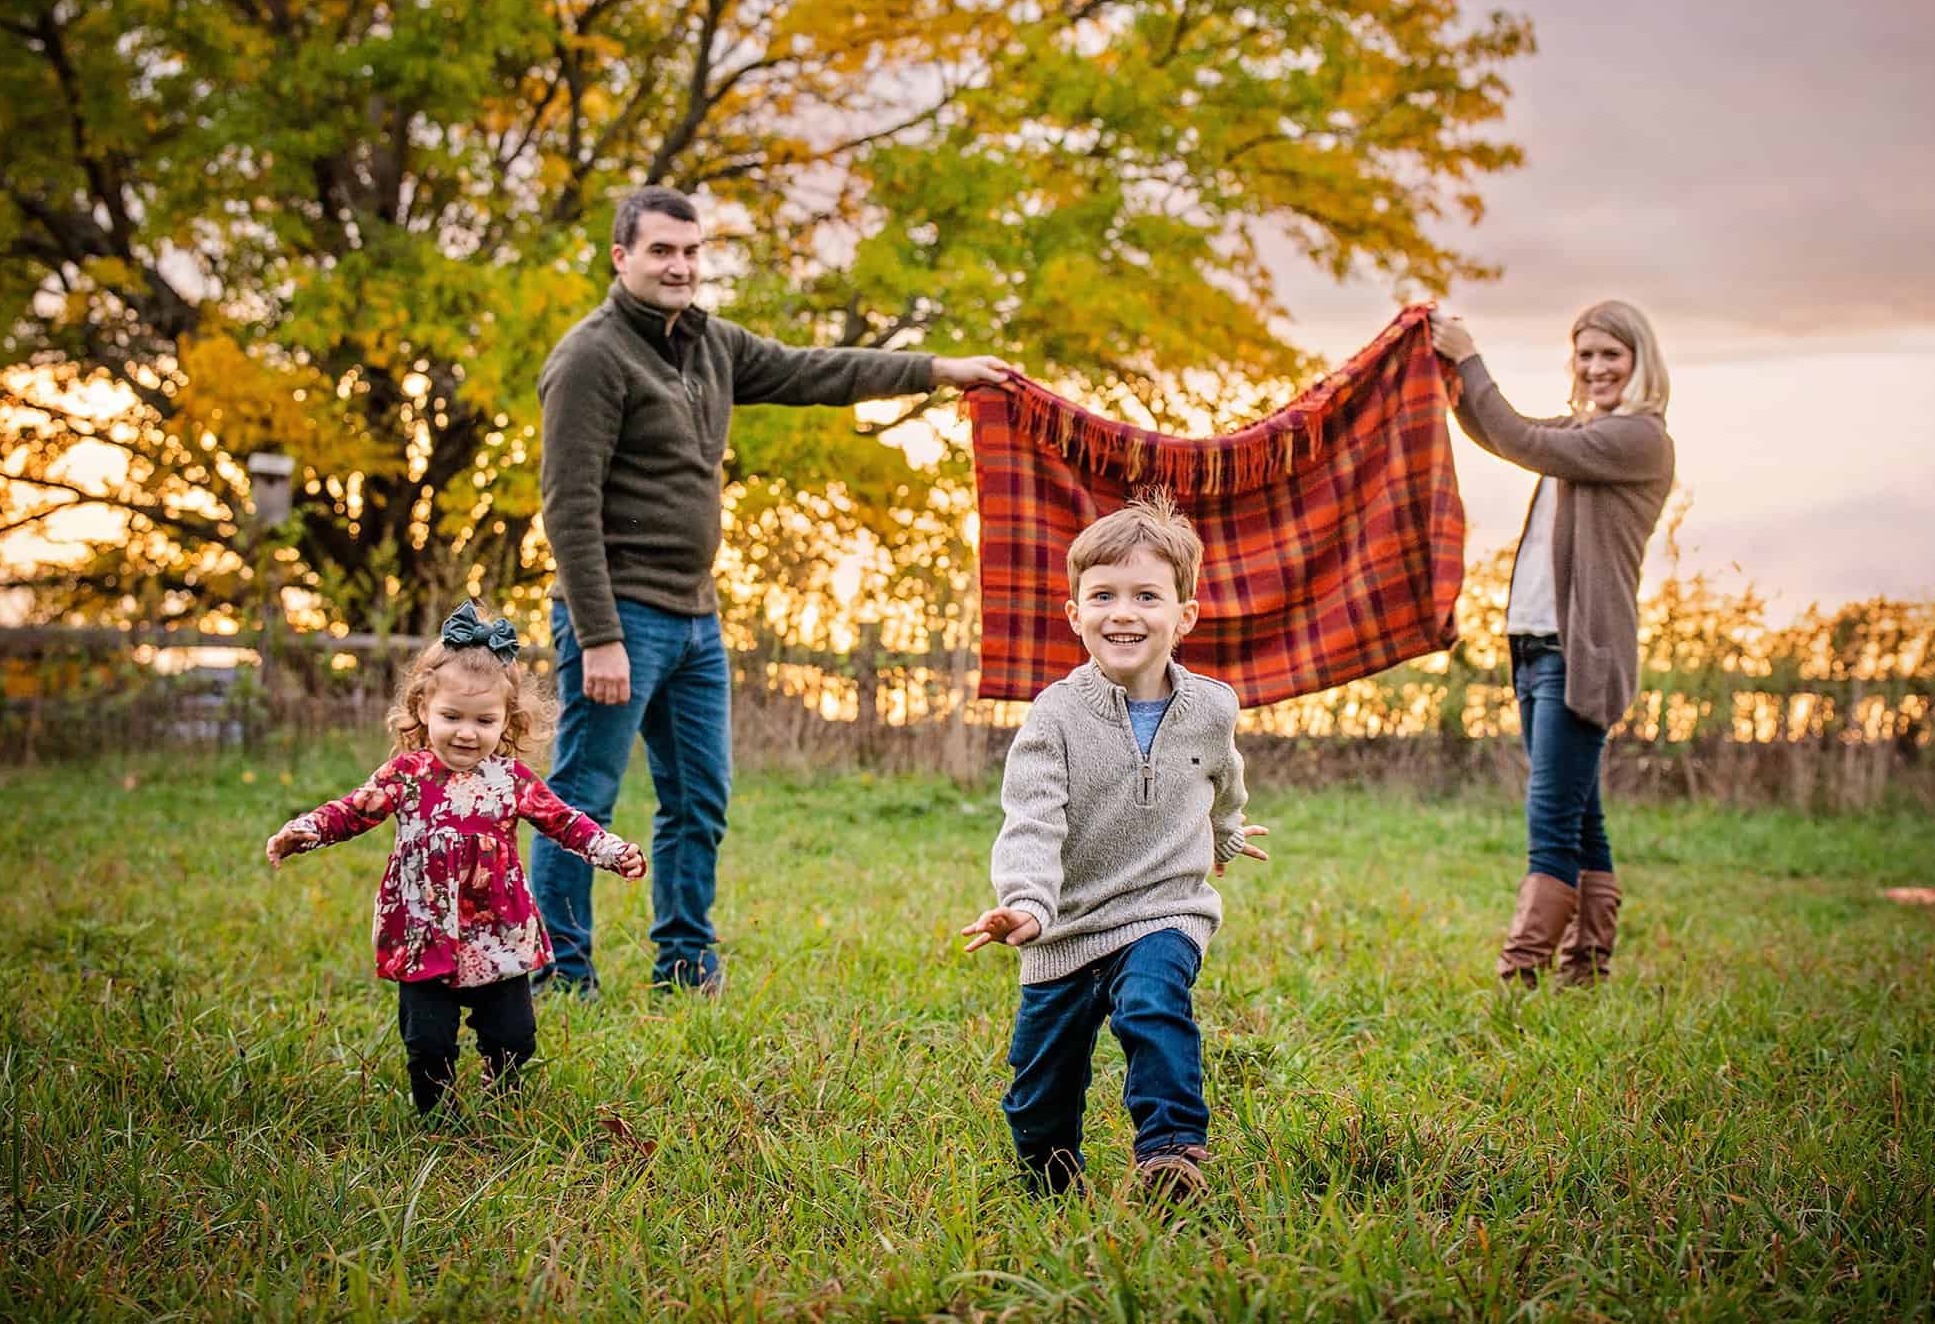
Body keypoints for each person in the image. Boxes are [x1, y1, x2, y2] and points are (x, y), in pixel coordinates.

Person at [533, 185, 1008, 999]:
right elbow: (567, 505)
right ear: (622, 258)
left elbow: (815, 370)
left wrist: (938, 370)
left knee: (699, 801)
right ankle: (556, 972)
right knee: (582, 800)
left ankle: (684, 964)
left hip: (694, 619)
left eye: (690, 251)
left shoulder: (712, 345)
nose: (679, 265)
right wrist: (599, 633)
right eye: (660, 251)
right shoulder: (592, 357)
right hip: (618, 620)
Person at [962, 490, 1270, 1202]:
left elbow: (1225, 776)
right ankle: (1050, 1181)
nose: (1123, 612)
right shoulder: (1054, 718)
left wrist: (1226, 831)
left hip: (1168, 908)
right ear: (1075, 614)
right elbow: (1032, 819)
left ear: (1183, 615)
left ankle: (1170, 1154)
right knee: (1040, 1093)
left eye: (1146, 596)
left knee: (1153, 1002)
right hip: (1064, 928)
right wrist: (1027, 905)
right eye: (1102, 595)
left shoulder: (1213, 706)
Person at [266, 601, 645, 1114]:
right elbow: (352, 812)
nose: (467, 732)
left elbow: (563, 821)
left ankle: (500, 1087)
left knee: (515, 1036)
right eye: (451, 717)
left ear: (506, 721)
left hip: (498, 930)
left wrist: (611, 850)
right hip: (424, 930)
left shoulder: (510, 781)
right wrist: (306, 830)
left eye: (484, 720)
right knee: (429, 1042)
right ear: (423, 709)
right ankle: (436, 1116)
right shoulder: (406, 776)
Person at [1430, 302, 1674, 987]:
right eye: (1586, 355)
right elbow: (1502, 432)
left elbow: (1519, 438)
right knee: (1578, 813)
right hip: (1537, 647)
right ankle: (1587, 968)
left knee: (1551, 822)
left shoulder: (1639, 439)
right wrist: (1452, 374)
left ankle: (1520, 976)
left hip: (1580, 654)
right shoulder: (1584, 431)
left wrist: (1471, 357)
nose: (1596, 368)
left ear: (1640, 362)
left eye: (1611, 355)